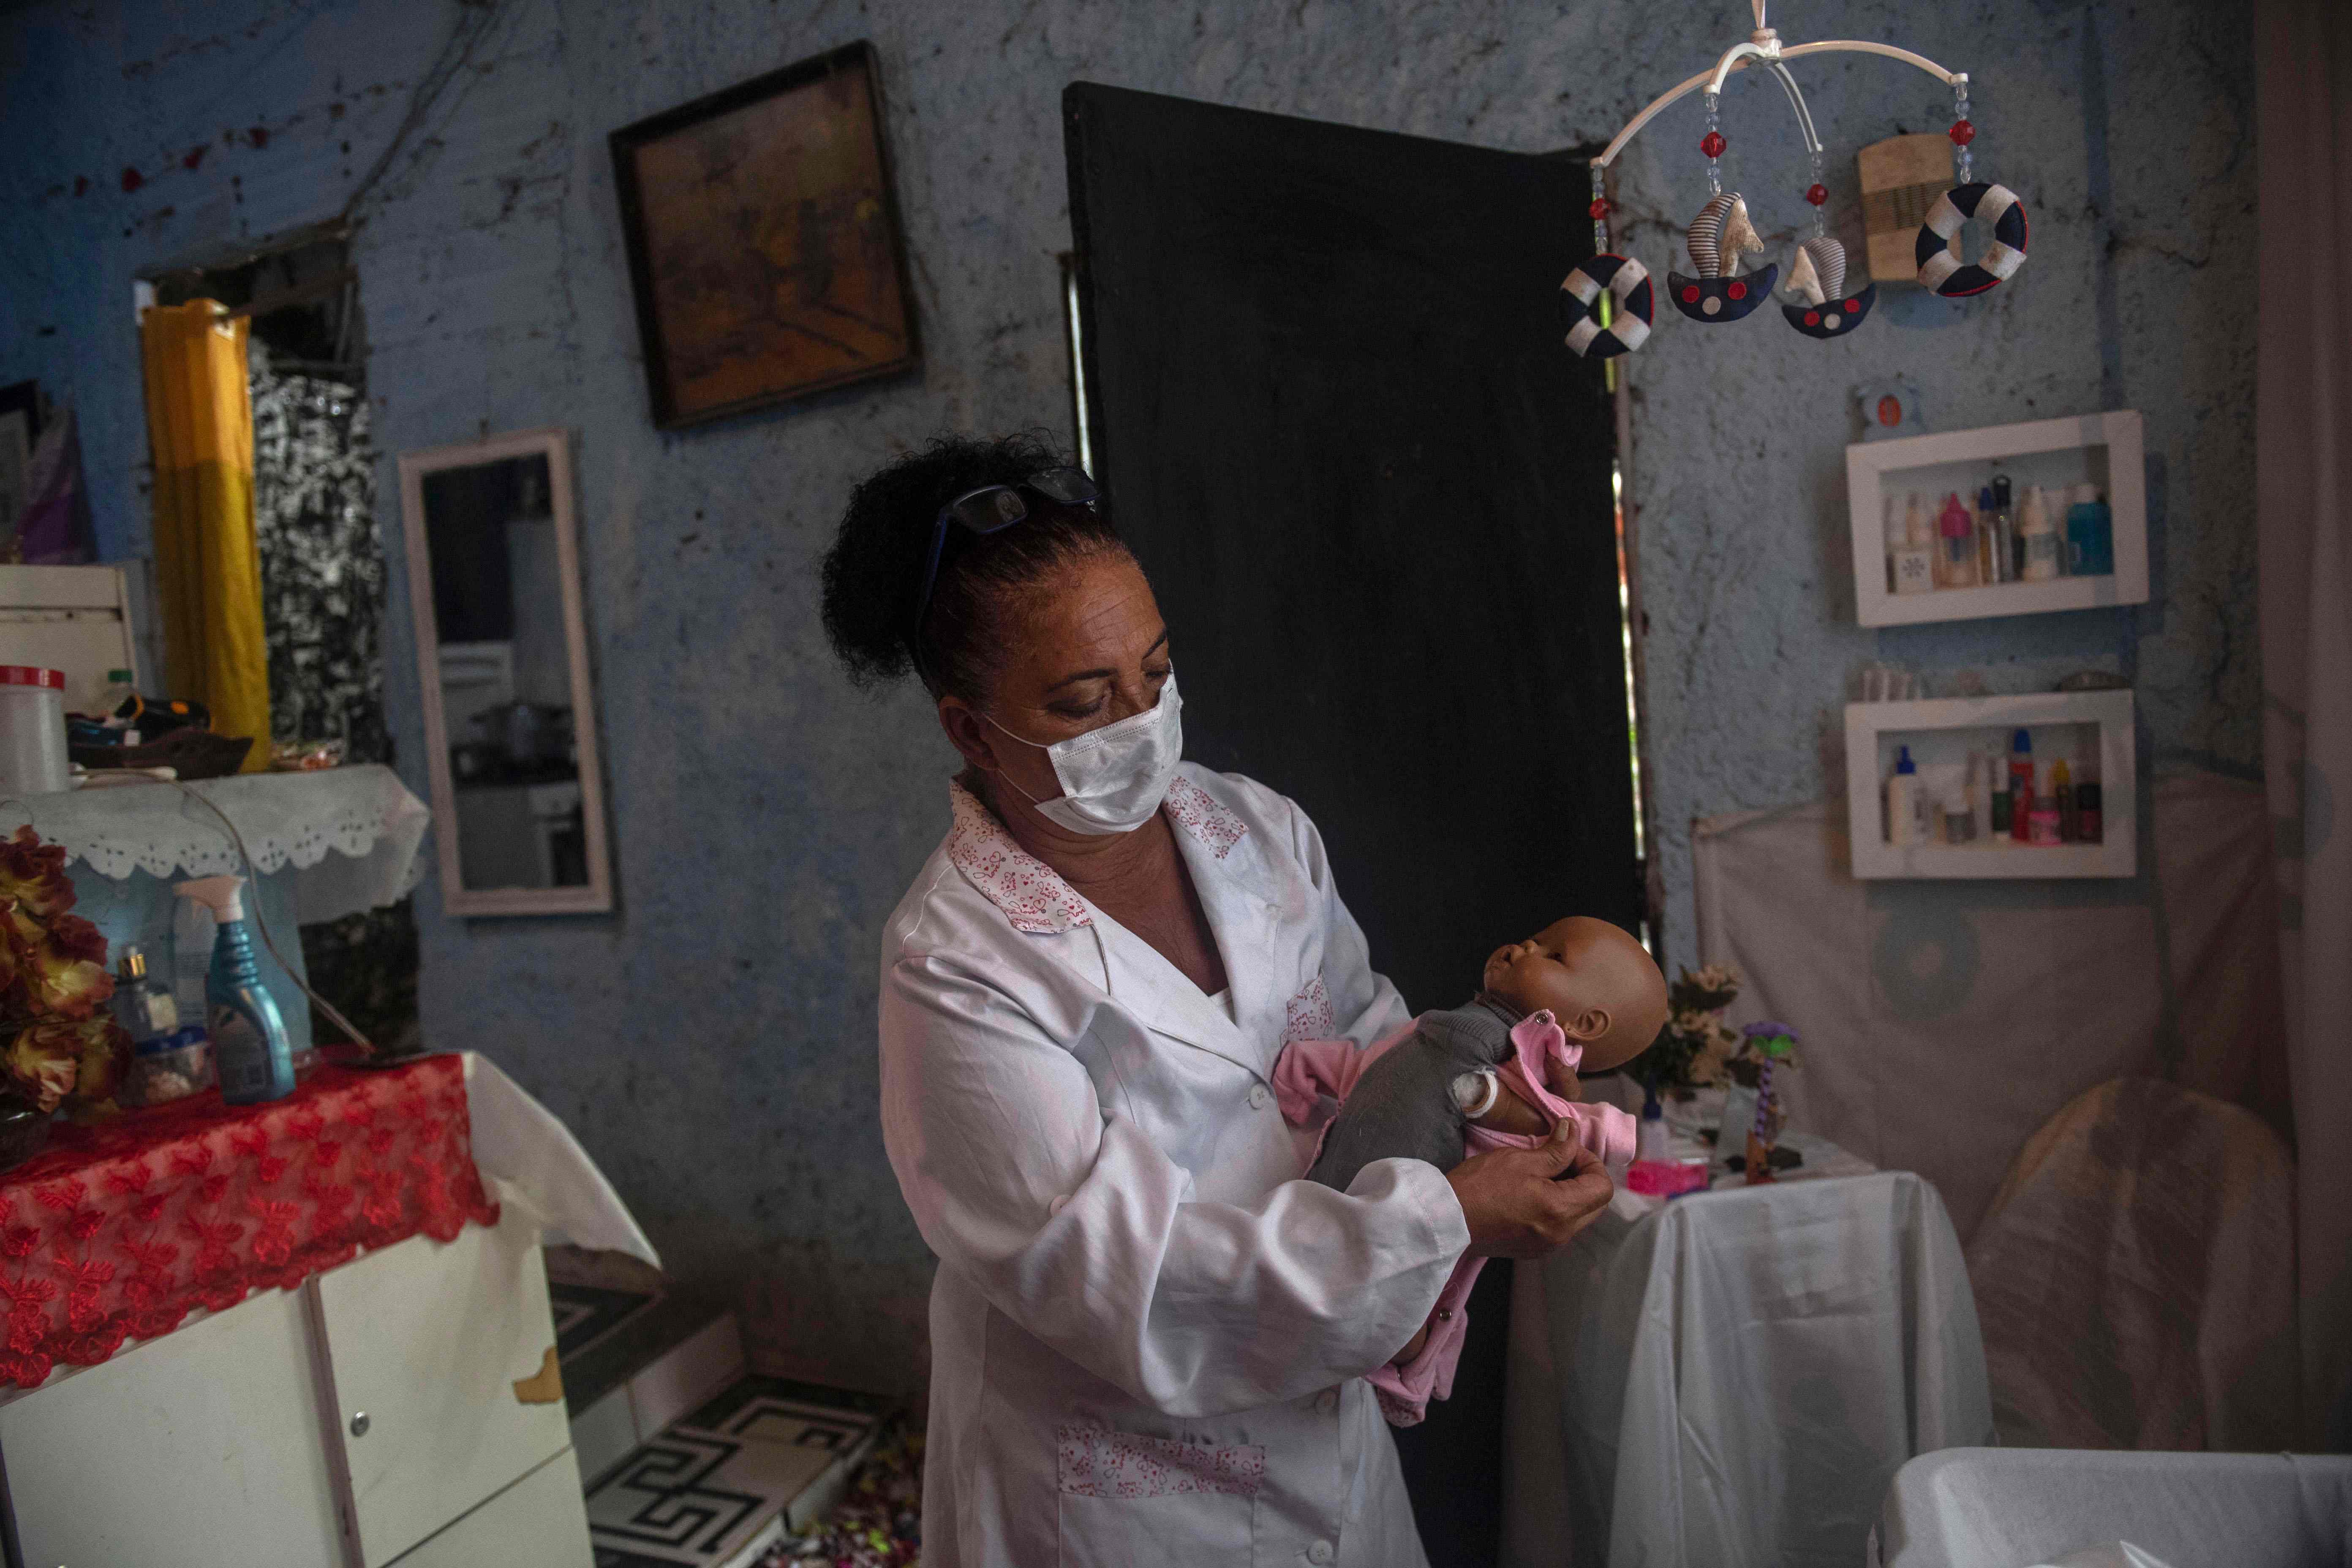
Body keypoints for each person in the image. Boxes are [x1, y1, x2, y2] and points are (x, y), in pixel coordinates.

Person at [822, 434, 1617, 1568]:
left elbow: (1370, 1043)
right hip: (1117, 1484)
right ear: (967, 728)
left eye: (1154, 673)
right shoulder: (955, 965)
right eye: (1082, 702)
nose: (1140, 724)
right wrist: (1449, 1218)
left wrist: (1489, 1113)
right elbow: (1116, 1282)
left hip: (1322, 1421)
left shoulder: (1254, 830)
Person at [1275, 916, 1666, 1421]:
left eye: (1552, 955)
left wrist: (1602, 1131)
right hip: (1330, 1187)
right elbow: (1380, 1070)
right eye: (1536, 936)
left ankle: (1413, 1360)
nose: (1523, 945)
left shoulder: (1526, 1060)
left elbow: (1550, 1122)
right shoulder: (1440, 1024)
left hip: (1402, 1204)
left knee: (1397, 1300)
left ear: (1586, 1024)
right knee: (1321, 1264)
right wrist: (1312, 1066)